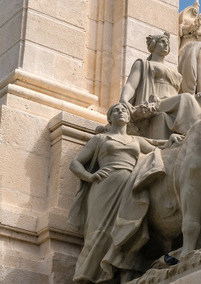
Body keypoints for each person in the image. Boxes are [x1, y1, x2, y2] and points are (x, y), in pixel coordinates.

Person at [68, 103, 175, 283]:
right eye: (115, 110)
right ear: (109, 118)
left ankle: (119, 273)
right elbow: (75, 163)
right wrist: (90, 176)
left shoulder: (136, 141)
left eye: (124, 110)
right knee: (98, 232)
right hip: (104, 187)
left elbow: (160, 147)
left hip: (129, 187)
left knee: (125, 230)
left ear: (128, 117)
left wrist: (175, 138)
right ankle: (85, 278)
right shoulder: (100, 139)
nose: (120, 111)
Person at [120, 31, 201, 139]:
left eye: (167, 42)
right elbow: (131, 85)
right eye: (162, 42)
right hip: (155, 103)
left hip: (171, 104)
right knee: (186, 98)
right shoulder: (143, 64)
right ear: (153, 44)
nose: (166, 44)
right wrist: (124, 100)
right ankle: (198, 134)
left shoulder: (172, 71)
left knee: (198, 101)